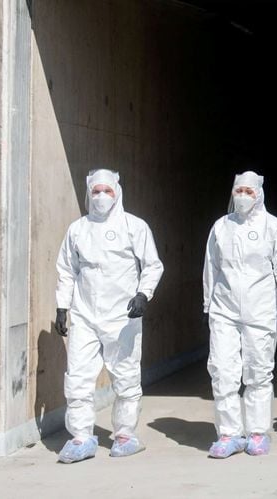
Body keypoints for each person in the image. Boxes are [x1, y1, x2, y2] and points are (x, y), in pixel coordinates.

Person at [54, 169, 164, 463]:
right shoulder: (77, 229)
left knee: (126, 377)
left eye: (107, 191)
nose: (101, 197)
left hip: (122, 317)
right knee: (77, 378)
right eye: (96, 191)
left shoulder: (134, 226)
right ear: (88, 193)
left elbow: (152, 265)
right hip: (85, 315)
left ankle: (126, 435)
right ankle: (80, 437)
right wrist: (62, 306)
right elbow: (67, 269)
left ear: (118, 192)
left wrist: (143, 294)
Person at [203, 171, 277, 459]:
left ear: (259, 195)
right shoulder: (221, 227)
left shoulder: (273, 227)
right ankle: (229, 434)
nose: (242, 197)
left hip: (260, 309)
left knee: (257, 372)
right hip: (224, 309)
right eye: (238, 191)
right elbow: (211, 267)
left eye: (249, 191)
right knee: (222, 372)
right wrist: (208, 304)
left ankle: (257, 432)